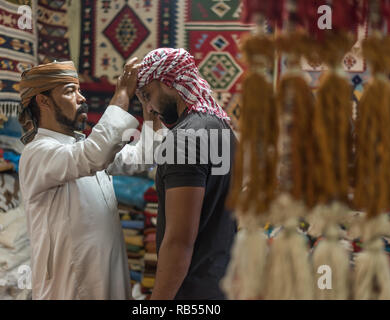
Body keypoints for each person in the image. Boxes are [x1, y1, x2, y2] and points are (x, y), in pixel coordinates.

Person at [18, 59, 161, 299]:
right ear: (43, 101)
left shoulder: (78, 147)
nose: (81, 98)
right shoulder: (38, 152)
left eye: (79, 90)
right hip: (71, 286)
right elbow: (95, 154)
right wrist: (123, 93)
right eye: (70, 91)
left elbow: (142, 156)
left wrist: (151, 110)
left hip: (107, 277)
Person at [136, 48, 238, 300]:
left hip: (191, 291)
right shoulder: (221, 127)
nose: (149, 106)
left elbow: (179, 241)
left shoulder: (184, 140)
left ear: (167, 82)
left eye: (148, 95)